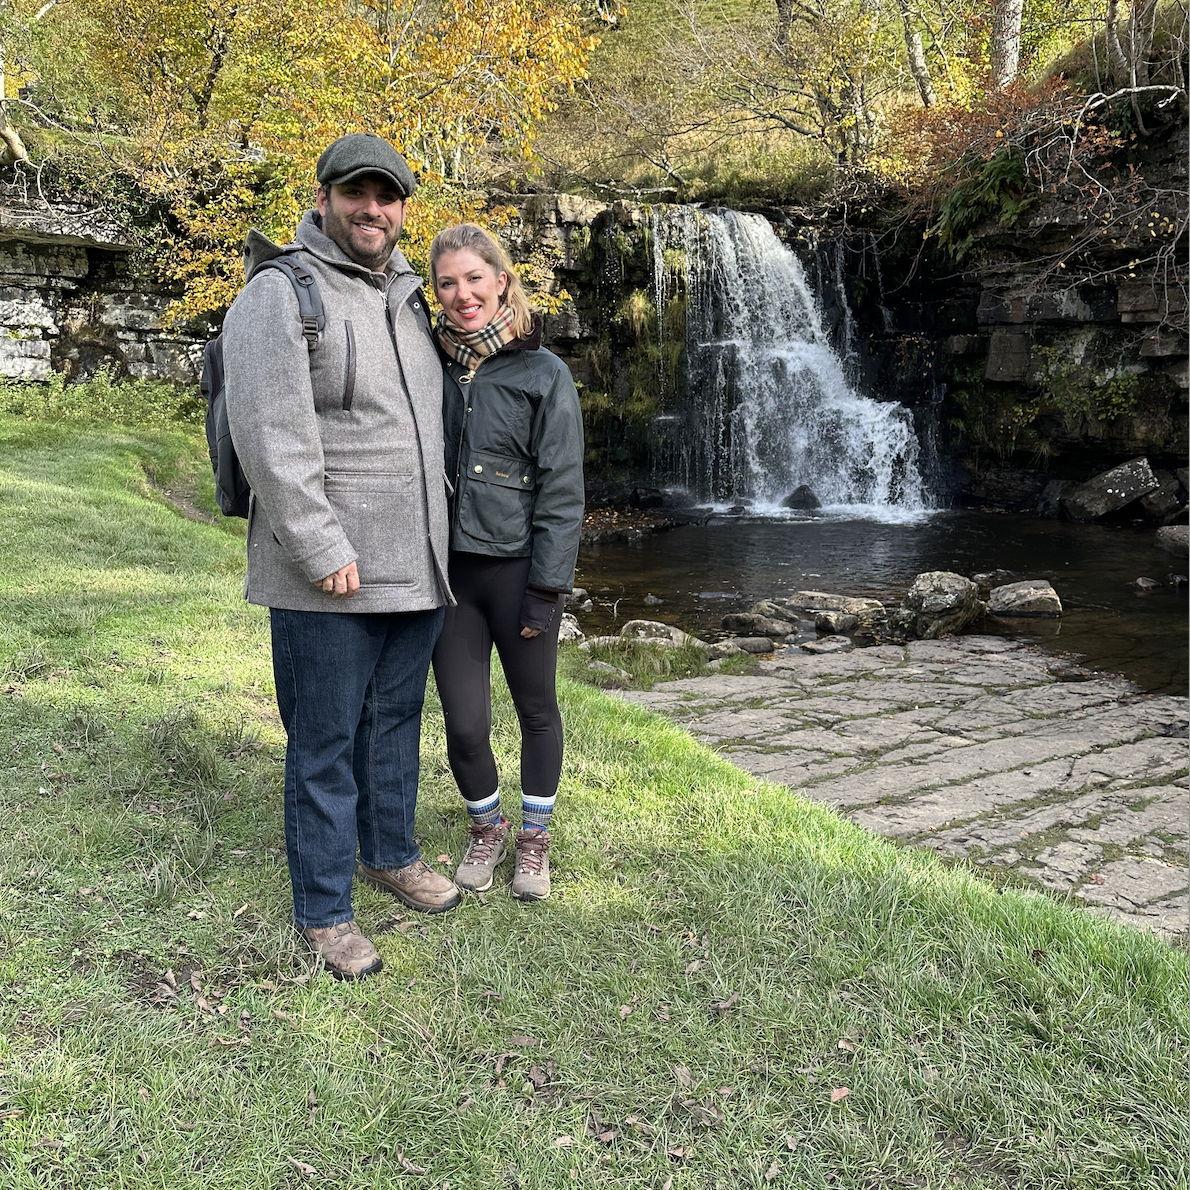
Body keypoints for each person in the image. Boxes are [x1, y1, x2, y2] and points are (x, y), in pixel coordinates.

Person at [222, 133, 461, 981]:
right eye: (356, 193)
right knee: (323, 740)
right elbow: (269, 435)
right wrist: (320, 545)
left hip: (415, 565)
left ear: (402, 208)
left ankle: (389, 852)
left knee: (393, 723)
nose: (373, 209)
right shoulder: (279, 294)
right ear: (322, 196)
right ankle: (325, 910)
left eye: (387, 196)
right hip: (330, 572)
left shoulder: (407, 294)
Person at [429, 224, 584, 902]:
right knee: (463, 722)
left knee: (537, 709)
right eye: (446, 283)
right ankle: (486, 829)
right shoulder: (425, 363)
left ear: (501, 279)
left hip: (519, 572)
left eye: (473, 278)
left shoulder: (543, 373)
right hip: (447, 576)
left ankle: (534, 842)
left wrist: (547, 590)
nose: (462, 294)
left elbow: (563, 491)